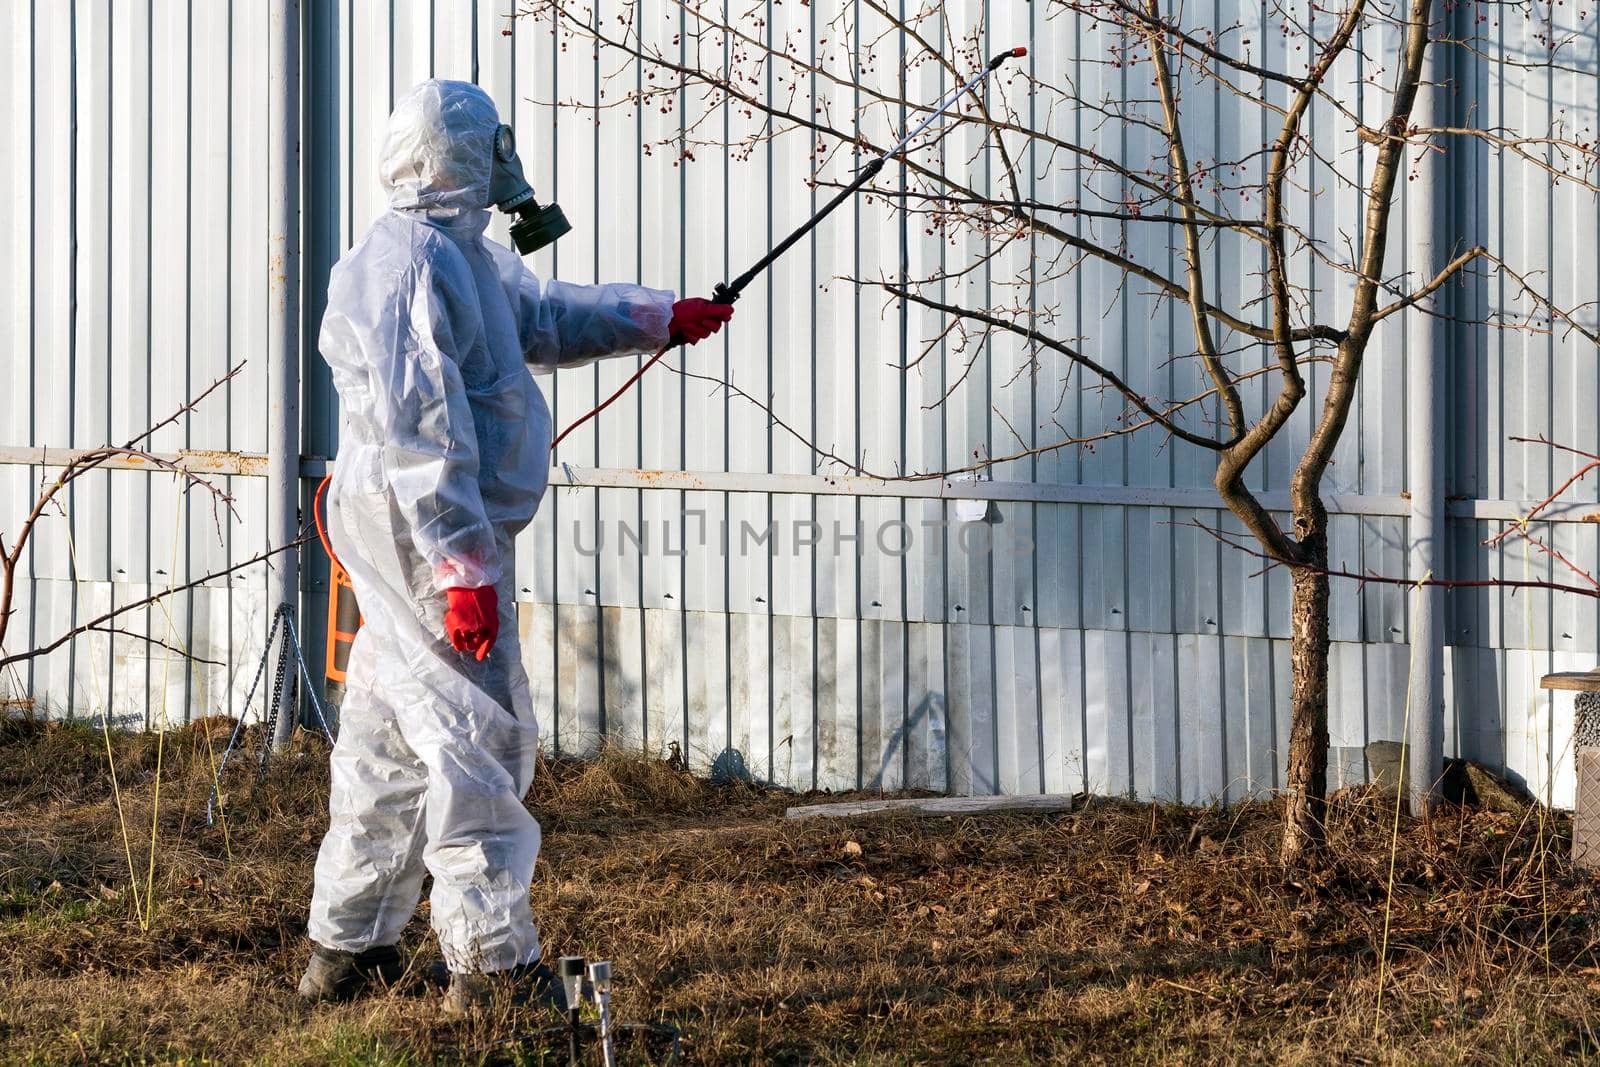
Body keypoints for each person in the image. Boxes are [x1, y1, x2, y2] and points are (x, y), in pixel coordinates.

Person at [297, 78, 732, 1014]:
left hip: (425, 529)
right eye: (493, 145)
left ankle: (345, 948)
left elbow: (545, 321)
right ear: (457, 154)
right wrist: (460, 567)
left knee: (389, 738)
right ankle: (491, 968)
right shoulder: (408, 264)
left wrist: (659, 314)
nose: (507, 164)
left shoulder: (462, 255)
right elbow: (424, 434)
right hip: (424, 532)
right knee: (477, 736)